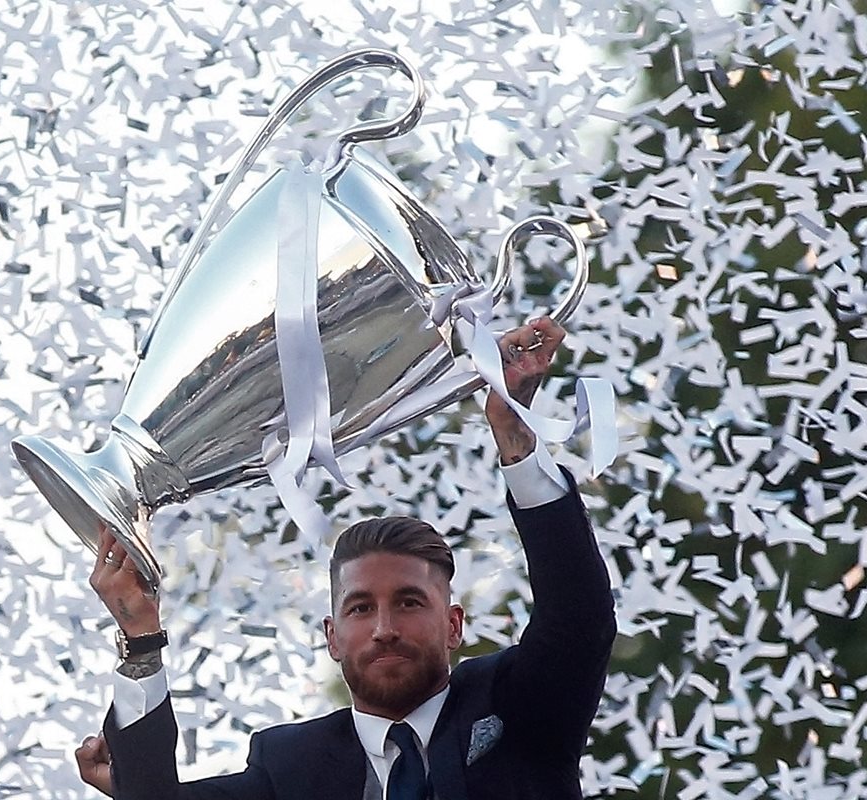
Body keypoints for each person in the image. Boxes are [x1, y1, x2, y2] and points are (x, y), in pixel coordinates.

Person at [73, 317, 615, 799]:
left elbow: (579, 617)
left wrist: (515, 437)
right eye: (360, 608)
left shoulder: (519, 706)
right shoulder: (287, 767)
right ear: (331, 636)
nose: (384, 628)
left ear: (453, 625)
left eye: (408, 603)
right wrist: (141, 642)